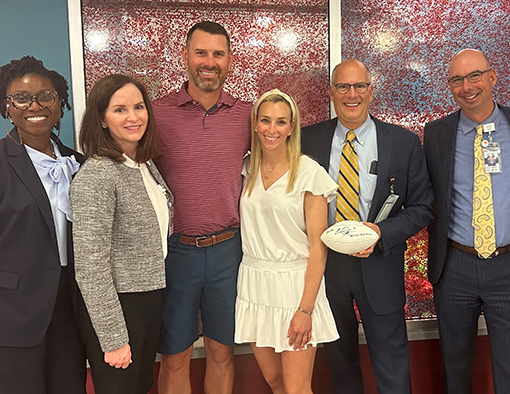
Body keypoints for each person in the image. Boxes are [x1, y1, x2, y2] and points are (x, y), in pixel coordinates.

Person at [0, 56, 86, 394]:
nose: (34, 105)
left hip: (68, 322)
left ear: (60, 103)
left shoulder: (79, 165)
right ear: (6, 107)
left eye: (46, 96)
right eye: (21, 98)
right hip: (3, 327)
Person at [301, 59, 433, 394]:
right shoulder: (306, 141)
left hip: (380, 265)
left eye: (360, 86)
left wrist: (381, 233)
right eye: (343, 86)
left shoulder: (403, 143)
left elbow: (422, 206)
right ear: (331, 92)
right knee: (340, 365)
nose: (352, 94)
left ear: (371, 91)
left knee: (391, 365)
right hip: (326, 268)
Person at [423, 48, 510, 394]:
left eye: (475, 75)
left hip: (509, 265)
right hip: (455, 265)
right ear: (450, 87)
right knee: (455, 366)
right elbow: (424, 193)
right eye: (457, 80)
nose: (467, 86)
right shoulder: (436, 134)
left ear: (492, 78)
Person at [152, 21, 251, 394]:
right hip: (174, 252)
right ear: (185, 56)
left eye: (218, 54)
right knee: (174, 356)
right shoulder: (155, 114)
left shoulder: (247, 115)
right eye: (201, 52)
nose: (209, 62)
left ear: (229, 60)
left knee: (221, 351)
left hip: (229, 250)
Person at [69, 74, 173, 394]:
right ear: (101, 118)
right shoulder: (98, 174)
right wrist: (113, 337)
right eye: (120, 109)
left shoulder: (142, 163)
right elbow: (90, 267)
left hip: (147, 298)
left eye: (139, 107)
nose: (133, 117)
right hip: (118, 306)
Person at [235, 89, 339, 393]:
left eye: (281, 122)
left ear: (292, 127)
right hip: (254, 284)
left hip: (296, 287)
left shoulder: (308, 173)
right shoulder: (246, 168)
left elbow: (318, 248)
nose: (272, 129)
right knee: (276, 383)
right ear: (255, 123)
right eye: (265, 120)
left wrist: (306, 310)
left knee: (296, 389)